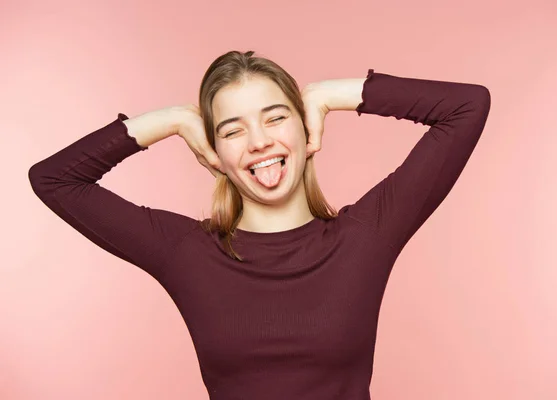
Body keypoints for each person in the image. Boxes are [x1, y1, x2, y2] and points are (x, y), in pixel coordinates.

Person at [28, 50, 491, 399]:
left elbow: (467, 106)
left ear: (304, 128)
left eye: (276, 117)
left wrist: (328, 96)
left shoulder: (366, 235)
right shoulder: (185, 251)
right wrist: (173, 121)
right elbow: (53, 179)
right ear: (214, 152)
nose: (259, 142)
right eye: (232, 130)